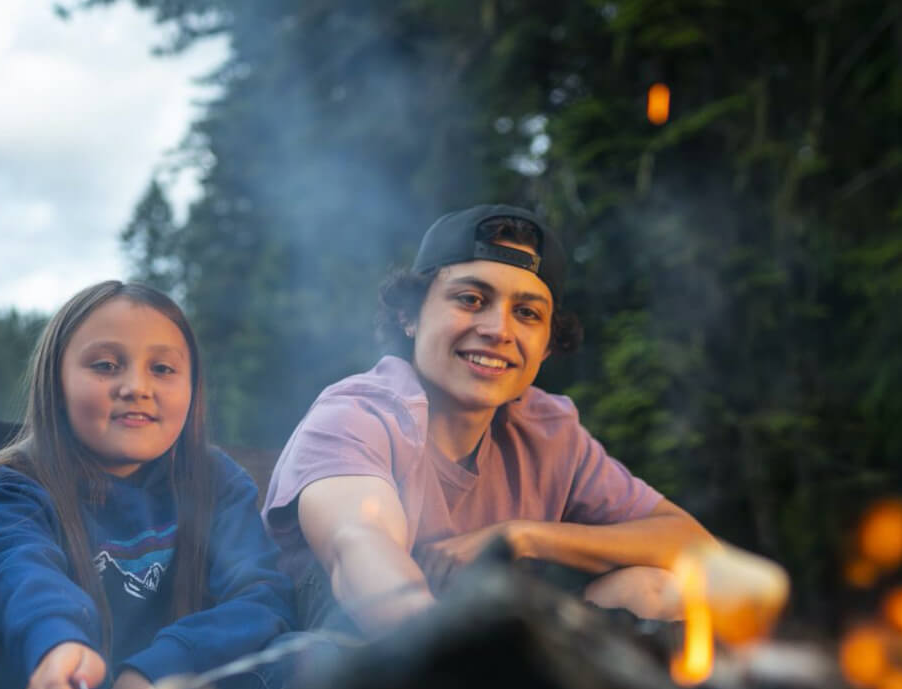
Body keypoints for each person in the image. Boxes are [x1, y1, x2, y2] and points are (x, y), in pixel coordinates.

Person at [263, 204, 715, 635]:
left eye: (527, 313)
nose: (499, 330)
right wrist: (453, 657)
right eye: (471, 299)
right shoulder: (359, 415)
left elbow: (695, 546)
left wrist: (522, 536)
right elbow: (358, 545)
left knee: (655, 590)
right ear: (408, 315)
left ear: (547, 345)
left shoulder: (547, 433)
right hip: (351, 666)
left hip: (492, 660)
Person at [0, 280, 297, 689]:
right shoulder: (16, 488)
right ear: (56, 383)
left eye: (162, 369)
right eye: (105, 366)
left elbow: (262, 597)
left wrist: (154, 673)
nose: (136, 387)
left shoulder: (215, 482)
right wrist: (59, 648)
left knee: (299, 663)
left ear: (192, 388)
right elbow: (21, 573)